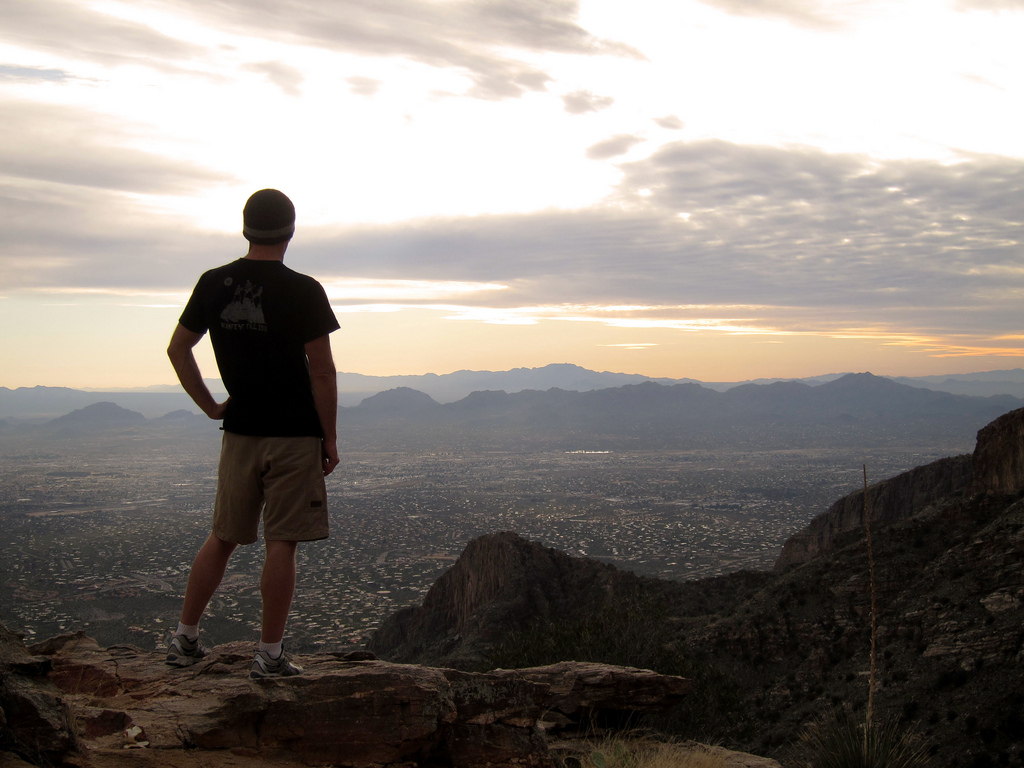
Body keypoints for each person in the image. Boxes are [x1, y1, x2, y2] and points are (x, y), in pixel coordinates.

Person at [164, 189, 339, 678]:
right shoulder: (304, 289)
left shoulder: (214, 283)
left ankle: (185, 638)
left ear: (245, 228)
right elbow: (322, 372)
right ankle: (269, 654)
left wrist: (211, 406)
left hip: (239, 431)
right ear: (291, 231)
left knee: (222, 536)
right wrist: (329, 438)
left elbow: (179, 350)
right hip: (294, 435)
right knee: (282, 542)